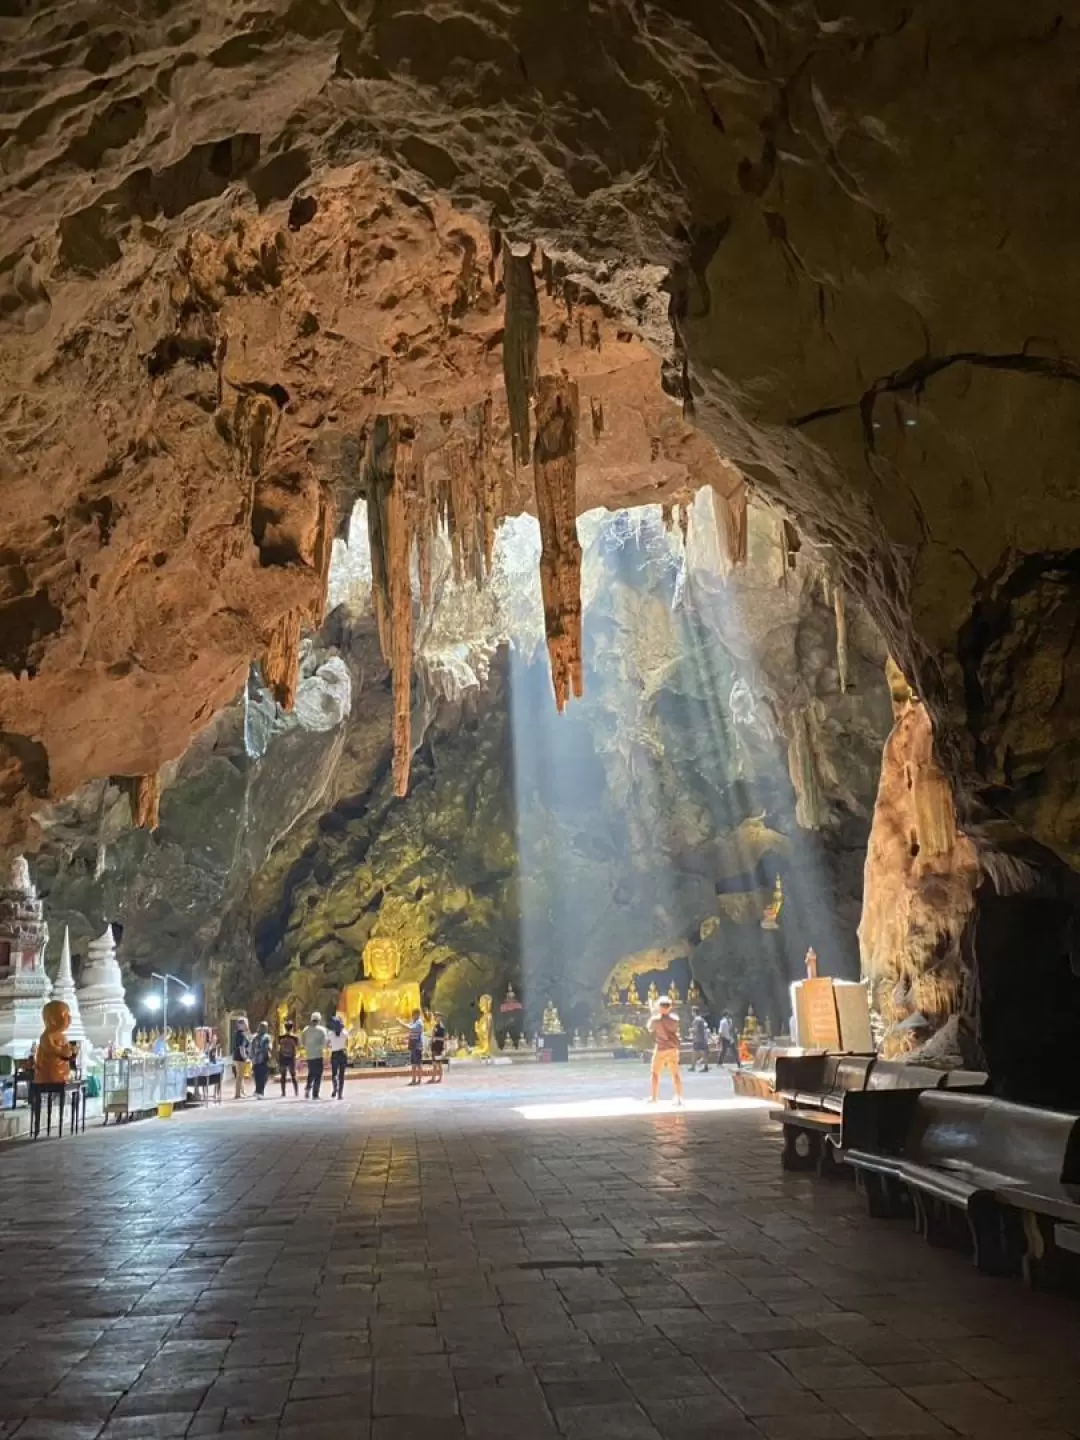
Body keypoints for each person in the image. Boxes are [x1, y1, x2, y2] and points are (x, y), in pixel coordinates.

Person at [646, 995, 683, 1105]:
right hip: (672, 1048)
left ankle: (654, 1098)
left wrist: (653, 1014)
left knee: (655, 1074)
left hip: (661, 1049)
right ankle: (679, 1097)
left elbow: (649, 1028)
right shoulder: (675, 1019)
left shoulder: (655, 1020)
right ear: (670, 1007)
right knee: (675, 1074)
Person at [302, 1011, 328, 1099]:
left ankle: (308, 1088)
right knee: (318, 1075)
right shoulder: (322, 1030)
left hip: (309, 1055)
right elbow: (325, 1043)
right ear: (319, 1020)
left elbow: (303, 1042)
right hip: (318, 1055)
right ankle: (315, 1094)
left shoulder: (305, 1030)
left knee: (311, 1073)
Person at [399, 1008, 424, 1086]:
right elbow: (410, 1030)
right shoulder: (414, 1022)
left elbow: (410, 1028)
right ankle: (414, 1079)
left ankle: (419, 1080)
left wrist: (401, 1023)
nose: (412, 1016)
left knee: (418, 1064)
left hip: (417, 1045)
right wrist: (405, 1038)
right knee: (413, 1064)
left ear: (417, 1015)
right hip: (413, 1045)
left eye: (413, 1015)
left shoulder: (419, 1023)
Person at [328, 1014, 348, 1099]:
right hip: (342, 1053)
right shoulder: (345, 1033)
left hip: (334, 1054)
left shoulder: (330, 1034)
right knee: (342, 1075)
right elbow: (347, 1043)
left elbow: (328, 1044)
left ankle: (335, 1087)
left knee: (334, 1073)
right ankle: (340, 1094)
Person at [278, 1018, 299, 1097]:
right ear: (292, 1027)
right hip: (291, 1058)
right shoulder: (295, 1038)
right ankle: (296, 1092)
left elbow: (279, 1047)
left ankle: (283, 1093)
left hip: (283, 1057)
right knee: (293, 1075)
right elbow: (297, 1046)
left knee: (283, 1076)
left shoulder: (280, 1037)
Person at [251, 1021, 272, 1098]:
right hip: (262, 1059)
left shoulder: (255, 1037)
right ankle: (260, 1092)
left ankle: (258, 1091)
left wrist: (252, 1057)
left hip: (257, 1059)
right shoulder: (266, 1037)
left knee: (258, 1076)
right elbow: (268, 1048)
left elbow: (252, 1048)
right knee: (263, 1076)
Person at [232, 1020, 250, 1100]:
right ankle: (238, 1094)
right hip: (240, 1058)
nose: (246, 1025)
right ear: (240, 1025)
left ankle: (242, 1092)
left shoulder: (237, 1034)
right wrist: (245, 1057)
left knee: (240, 1076)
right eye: (244, 1024)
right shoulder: (241, 1035)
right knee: (239, 1076)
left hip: (237, 1057)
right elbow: (241, 1047)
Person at [428, 1012, 447, 1084]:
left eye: (437, 1016)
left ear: (441, 1017)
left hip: (439, 1047)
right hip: (434, 1047)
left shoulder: (441, 1027)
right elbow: (433, 1035)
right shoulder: (435, 1026)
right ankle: (433, 1078)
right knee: (434, 1063)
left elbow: (443, 1038)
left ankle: (440, 1078)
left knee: (439, 1063)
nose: (436, 1018)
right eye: (435, 1016)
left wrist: (435, 1038)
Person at [689, 1006, 709, 1072]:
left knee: (694, 1052)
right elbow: (705, 1026)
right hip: (702, 1038)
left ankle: (693, 1067)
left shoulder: (696, 1020)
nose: (691, 1013)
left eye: (692, 1011)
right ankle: (705, 1066)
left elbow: (696, 1029)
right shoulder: (701, 1019)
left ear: (694, 1012)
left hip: (697, 1039)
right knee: (704, 1053)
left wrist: (691, 1030)